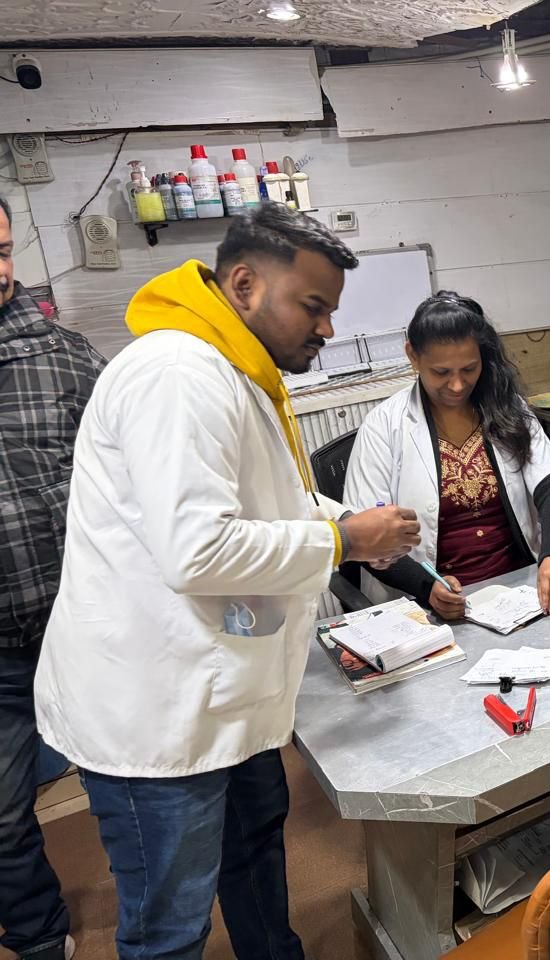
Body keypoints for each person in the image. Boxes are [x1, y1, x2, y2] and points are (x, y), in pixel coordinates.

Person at [33, 203, 421, 960]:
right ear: (244, 284)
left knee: (254, 864)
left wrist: (352, 524)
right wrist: (344, 539)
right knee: (171, 925)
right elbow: (197, 549)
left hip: (227, 696)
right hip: (159, 717)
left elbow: (272, 501)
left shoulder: (235, 370)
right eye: (314, 306)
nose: (328, 328)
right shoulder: (177, 375)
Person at [0, 193, 103, 960]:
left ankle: (156, 926)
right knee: (2, 817)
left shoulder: (63, 357)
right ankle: (40, 939)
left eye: (3, 251)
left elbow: (126, 485)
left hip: (83, 629)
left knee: (132, 790)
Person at [344, 292, 550, 617]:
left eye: (469, 368)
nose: (457, 385)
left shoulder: (506, 407)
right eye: (441, 372)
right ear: (412, 356)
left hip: (519, 590)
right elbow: (367, 536)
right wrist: (426, 587)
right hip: (431, 604)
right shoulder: (384, 426)